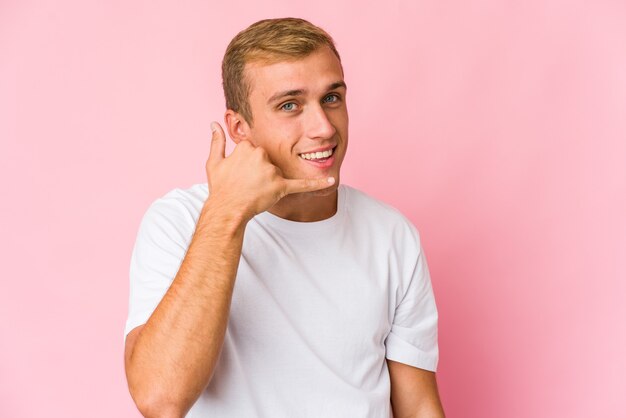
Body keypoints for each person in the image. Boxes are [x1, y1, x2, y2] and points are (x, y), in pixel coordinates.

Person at [123, 17, 445, 418]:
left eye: (332, 98)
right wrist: (227, 214)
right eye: (290, 105)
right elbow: (160, 398)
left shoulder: (393, 236)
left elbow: (418, 407)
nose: (323, 128)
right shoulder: (181, 221)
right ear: (240, 129)